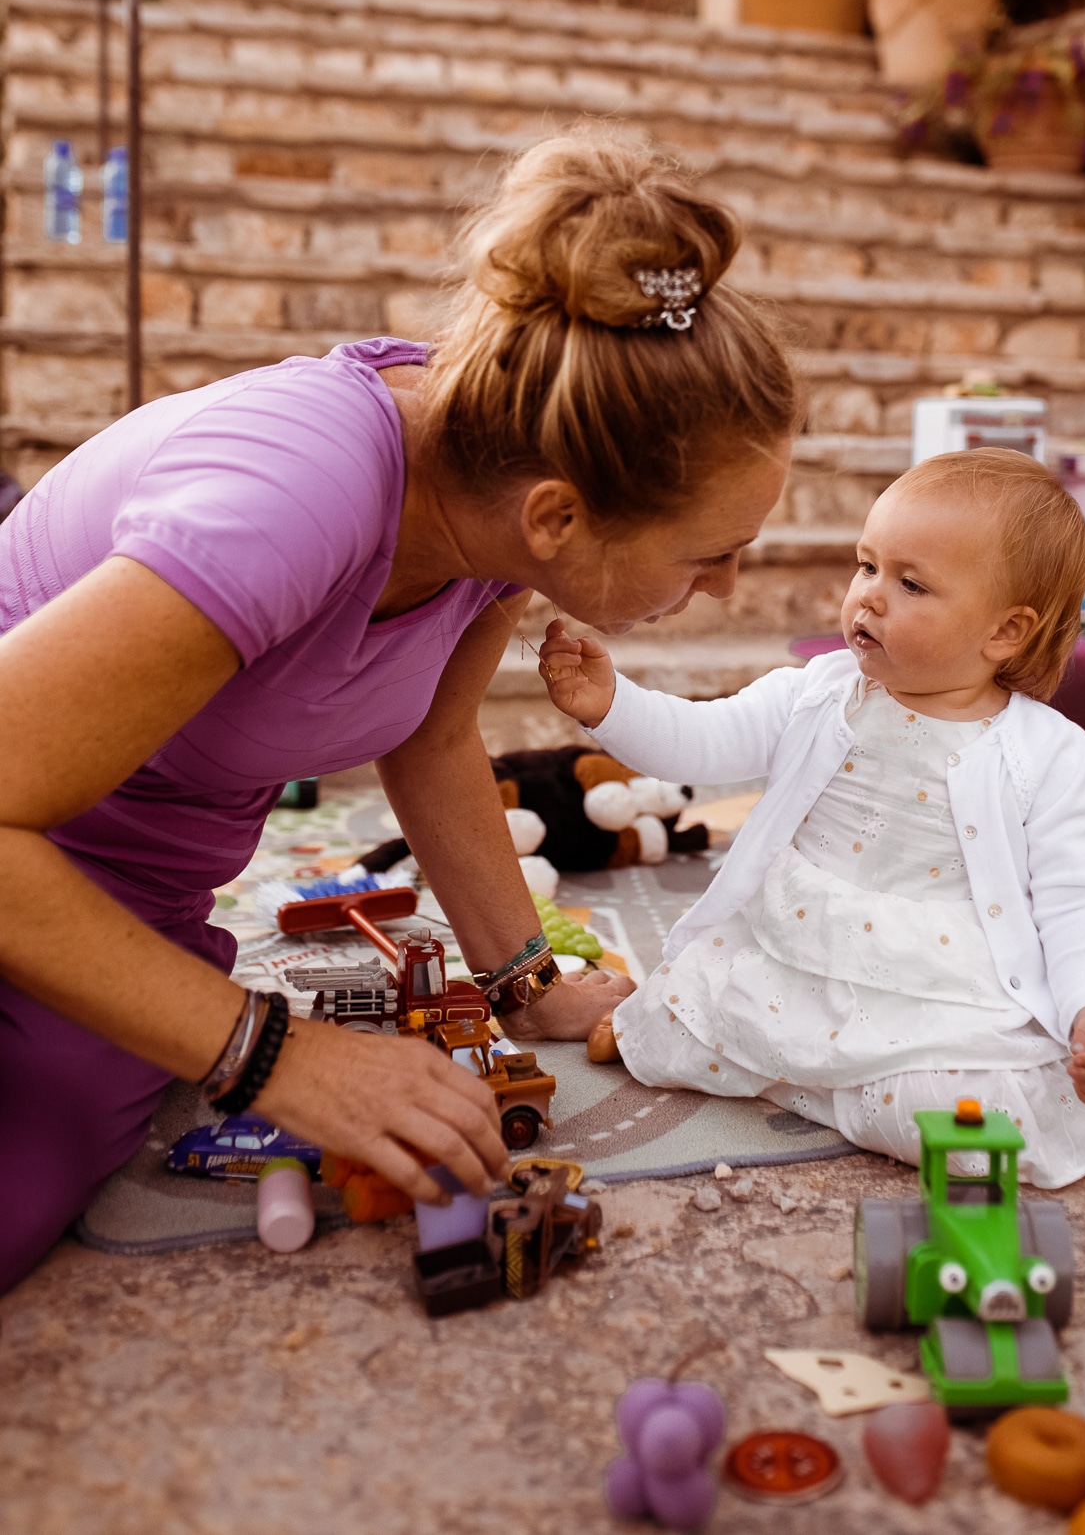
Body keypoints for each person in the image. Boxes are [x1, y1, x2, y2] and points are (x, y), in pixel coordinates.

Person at [0, 133, 799, 1292]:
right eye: (712, 555)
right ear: (557, 518)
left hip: (120, 896)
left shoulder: (491, 502)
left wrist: (522, 979)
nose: (724, 587)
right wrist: (276, 1054)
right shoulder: (292, 499)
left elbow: (427, 734)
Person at [540, 448, 1085, 1189]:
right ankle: (790, 1065)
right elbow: (702, 738)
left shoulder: (1046, 753)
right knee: (676, 1019)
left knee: (973, 1122)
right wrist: (612, 706)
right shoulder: (819, 692)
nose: (869, 597)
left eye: (911, 583)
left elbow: (1076, 897)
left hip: (929, 990)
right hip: (792, 951)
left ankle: (813, 1078)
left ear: (1003, 632)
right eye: (867, 567)